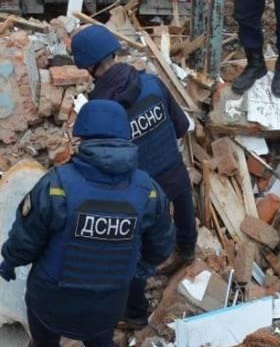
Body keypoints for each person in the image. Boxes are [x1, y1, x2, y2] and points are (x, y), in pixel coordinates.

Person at [0, 100, 174, 347]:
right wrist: (144, 267)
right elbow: (162, 244)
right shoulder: (147, 191)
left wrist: (9, 261)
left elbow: (26, 238)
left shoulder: (56, 184)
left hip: (51, 296)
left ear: (82, 139)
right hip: (106, 301)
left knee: (46, 338)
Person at [70, 24, 196, 323]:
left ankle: (136, 314)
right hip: (174, 173)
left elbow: (103, 165)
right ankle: (187, 251)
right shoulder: (152, 83)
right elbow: (180, 127)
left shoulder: (100, 110)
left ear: (89, 67)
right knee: (183, 202)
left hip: (139, 193)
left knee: (131, 250)